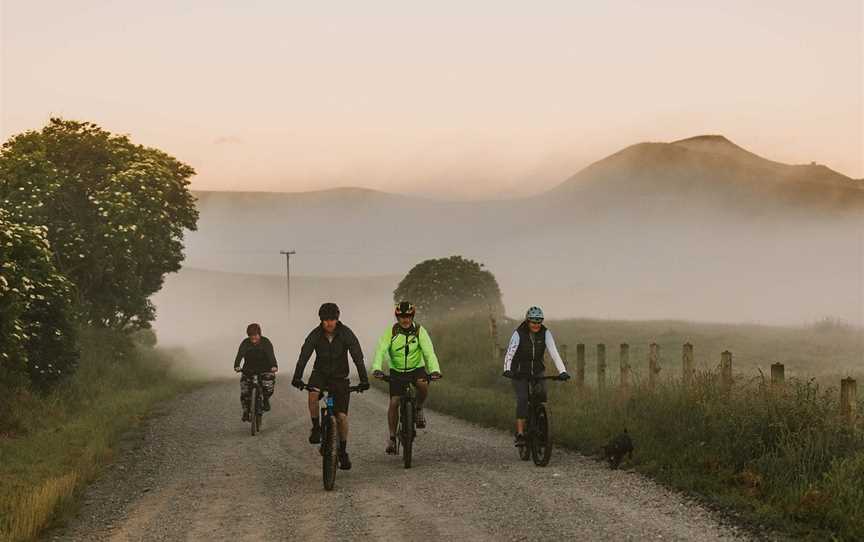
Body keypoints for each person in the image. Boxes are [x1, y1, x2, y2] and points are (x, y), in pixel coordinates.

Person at [292, 302, 369, 470]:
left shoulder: (346, 333)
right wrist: (297, 377)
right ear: (321, 320)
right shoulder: (315, 334)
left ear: (337, 319)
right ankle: (316, 428)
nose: (329, 323)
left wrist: (364, 379)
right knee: (312, 394)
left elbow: (357, 356)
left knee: (341, 417)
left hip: (340, 377)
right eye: (325, 320)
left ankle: (342, 451)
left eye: (332, 319)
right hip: (319, 374)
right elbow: (304, 356)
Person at [372, 301, 442, 455]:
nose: (405, 319)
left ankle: (417, 408)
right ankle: (392, 437)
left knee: (423, 384)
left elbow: (429, 352)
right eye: (402, 316)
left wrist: (435, 370)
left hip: (416, 368)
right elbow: (381, 350)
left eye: (408, 316)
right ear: (397, 317)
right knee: (394, 402)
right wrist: (376, 368)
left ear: (412, 316)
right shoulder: (391, 331)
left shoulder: (419, 331)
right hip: (397, 370)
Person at [502, 306, 570, 447]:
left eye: (539, 322)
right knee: (523, 398)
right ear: (528, 321)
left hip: (537, 370)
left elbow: (554, 353)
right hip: (519, 372)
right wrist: (507, 369)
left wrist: (562, 371)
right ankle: (520, 433)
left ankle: (541, 427)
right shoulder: (518, 334)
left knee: (542, 395)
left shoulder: (545, 333)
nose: (536, 325)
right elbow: (510, 353)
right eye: (533, 322)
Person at [233, 323, 278, 421]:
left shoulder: (266, 342)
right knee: (244, 391)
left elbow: (271, 356)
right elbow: (239, 355)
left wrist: (274, 366)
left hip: (265, 369)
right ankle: (246, 411)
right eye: (251, 336)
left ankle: (265, 400)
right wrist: (236, 365)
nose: (253, 338)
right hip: (248, 369)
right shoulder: (245, 343)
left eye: (255, 335)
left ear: (259, 334)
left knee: (268, 386)